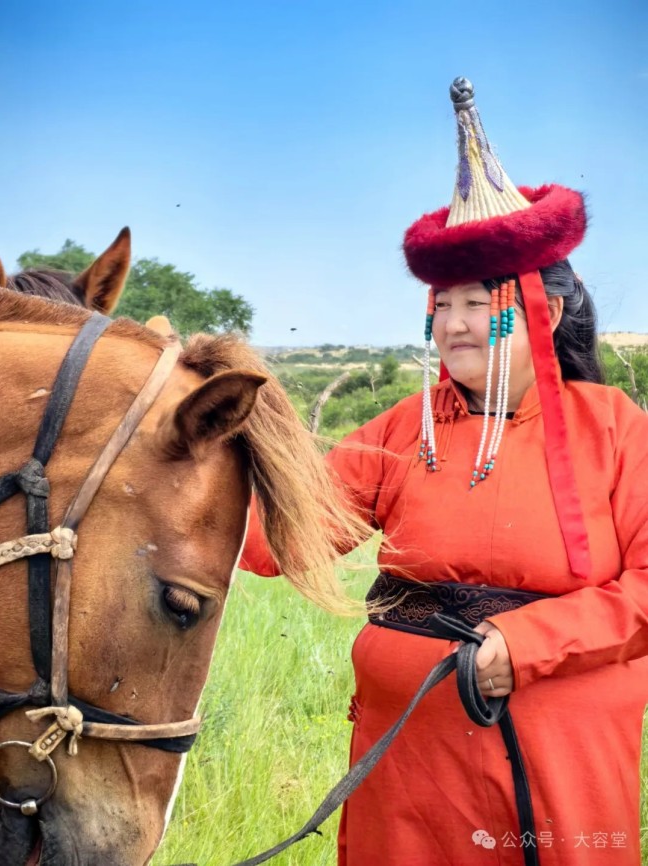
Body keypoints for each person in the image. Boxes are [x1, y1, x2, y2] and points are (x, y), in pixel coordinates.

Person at [240, 77, 648, 865]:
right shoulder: (405, 428)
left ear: (544, 310)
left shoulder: (618, 433)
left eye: (477, 302)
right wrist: (203, 447)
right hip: (407, 777)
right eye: (443, 303)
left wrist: (523, 646)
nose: (455, 324)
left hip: (558, 767)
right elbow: (277, 541)